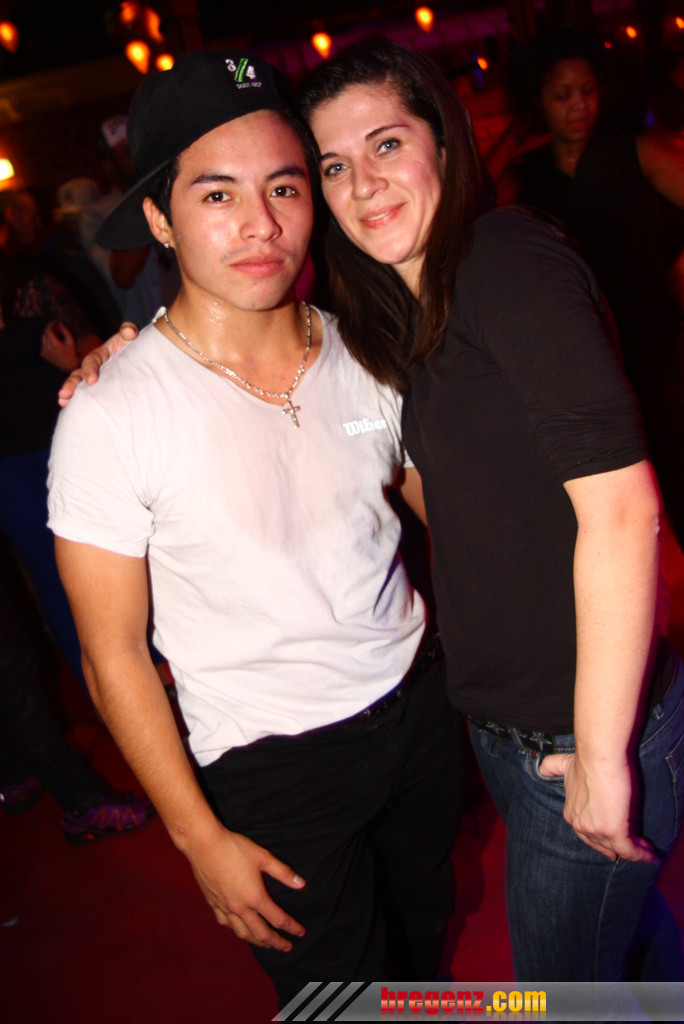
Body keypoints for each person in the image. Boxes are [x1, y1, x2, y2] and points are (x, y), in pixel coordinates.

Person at [47, 50, 461, 1006]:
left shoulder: (365, 348)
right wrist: (198, 838)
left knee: (423, 952)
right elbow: (112, 656)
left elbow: (453, 512)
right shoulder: (113, 414)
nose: (261, 225)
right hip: (272, 767)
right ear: (160, 218)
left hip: (419, 709)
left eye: (284, 187)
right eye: (217, 195)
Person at [294, 39, 684, 982]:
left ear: (445, 139)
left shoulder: (503, 259)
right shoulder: (413, 314)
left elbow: (623, 509)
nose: (362, 184)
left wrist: (601, 755)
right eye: (334, 167)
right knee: (634, 959)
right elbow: (461, 506)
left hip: (582, 734)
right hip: (514, 733)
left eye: (387, 144)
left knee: (561, 998)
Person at [485, 30, 684, 552]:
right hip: (582, 355)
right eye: (562, 94)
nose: (579, 105)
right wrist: (515, 134)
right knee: (620, 504)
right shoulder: (529, 176)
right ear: (538, 101)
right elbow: (470, 205)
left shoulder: (633, 149)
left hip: (657, 342)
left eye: (587, 91)